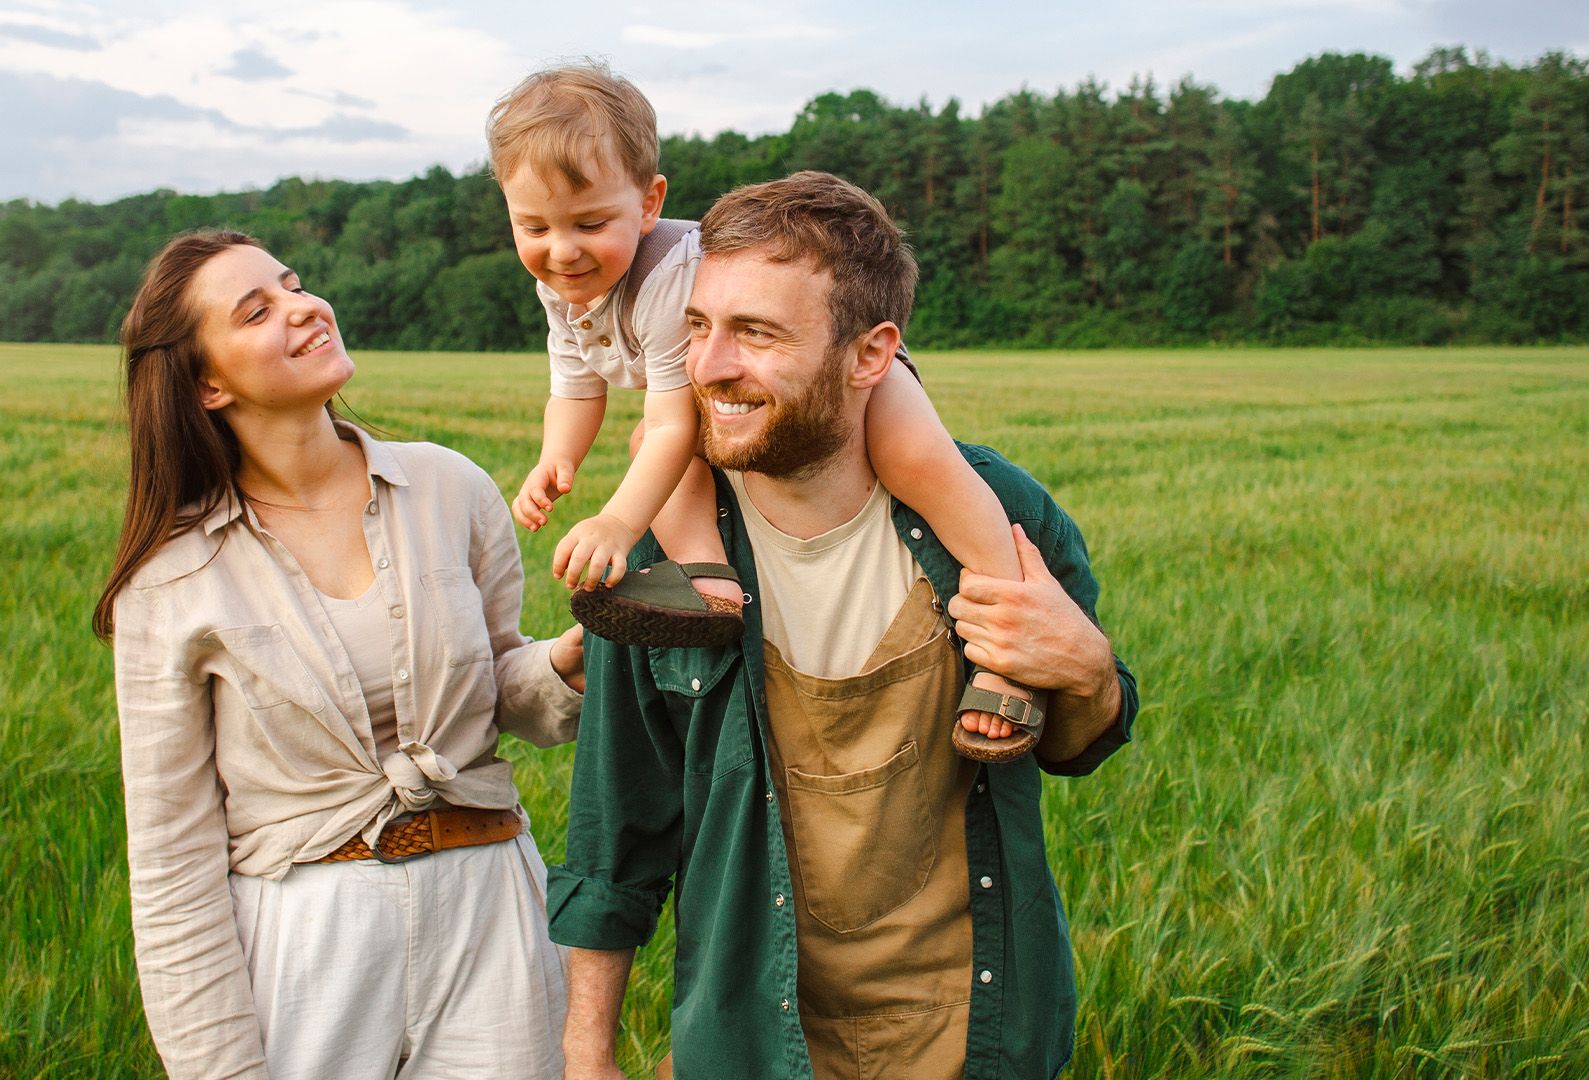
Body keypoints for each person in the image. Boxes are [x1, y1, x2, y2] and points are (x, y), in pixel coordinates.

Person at [548, 173, 1141, 1080]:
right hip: (752, 1039)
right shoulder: (661, 571)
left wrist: (1088, 672)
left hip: (976, 1031)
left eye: (757, 332)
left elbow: (1080, 742)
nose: (707, 368)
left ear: (873, 355)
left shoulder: (997, 514)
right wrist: (586, 1059)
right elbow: (613, 832)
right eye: (699, 326)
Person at [92, 230, 585, 1080]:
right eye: (257, 311)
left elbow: (501, 684)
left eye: (294, 285)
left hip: (492, 910)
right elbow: (172, 856)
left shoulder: (449, 486)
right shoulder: (172, 579)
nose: (303, 307)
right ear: (207, 383)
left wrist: (572, 661)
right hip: (309, 945)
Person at [488, 62, 1045, 760]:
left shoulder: (662, 282)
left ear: (650, 203)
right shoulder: (564, 280)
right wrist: (557, 457)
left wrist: (616, 522)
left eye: (589, 222)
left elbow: (670, 423)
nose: (561, 249)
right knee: (649, 448)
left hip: (847, 369)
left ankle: (1012, 641)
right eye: (532, 226)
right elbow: (574, 384)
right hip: (722, 387)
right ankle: (711, 582)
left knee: (922, 464)